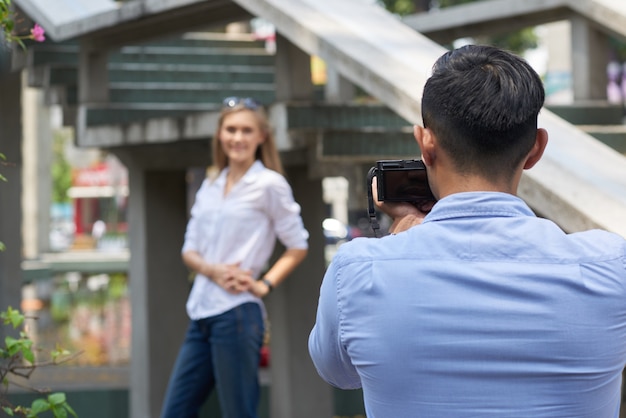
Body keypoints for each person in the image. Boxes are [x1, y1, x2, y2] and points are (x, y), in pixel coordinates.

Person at [308, 45, 626, 417]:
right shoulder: (611, 266)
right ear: (536, 148)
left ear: (426, 143)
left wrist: (398, 244)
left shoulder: (356, 272)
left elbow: (338, 372)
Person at [161, 97, 309, 418]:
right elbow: (189, 250)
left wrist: (264, 285)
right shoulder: (210, 185)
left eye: (246, 130)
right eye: (230, 129)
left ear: (261, 136)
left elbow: (298, 245)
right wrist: (212, 271)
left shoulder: (270, 184)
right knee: (174, 412)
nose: (237, 138)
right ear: (219, 133)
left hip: (237, 315)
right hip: (201, 313)